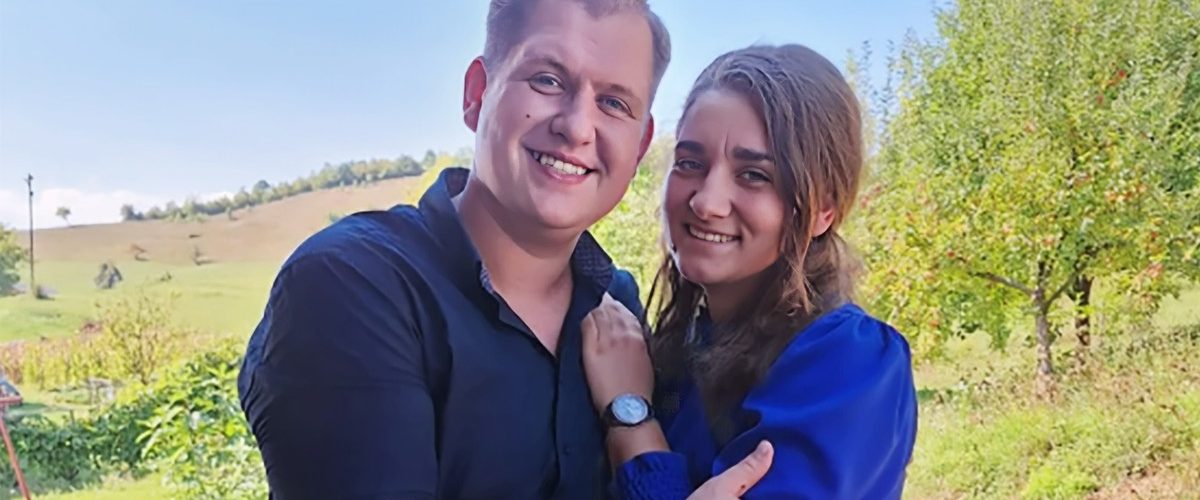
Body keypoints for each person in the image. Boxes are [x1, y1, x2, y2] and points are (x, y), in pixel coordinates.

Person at [236, 1, 770, 498]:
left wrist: (631, 420)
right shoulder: (354, 288)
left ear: (639, 146)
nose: (577, 126)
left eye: (613, 103)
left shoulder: (617, 307)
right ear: (477, 94)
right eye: (547, 80)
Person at [581, 44, 920, 499]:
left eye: (754, 175)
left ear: (823, 209)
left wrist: (631, 418)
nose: (706, 202)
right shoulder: (679, 345)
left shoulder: (850, 366)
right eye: (690, 164)